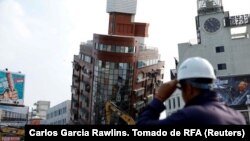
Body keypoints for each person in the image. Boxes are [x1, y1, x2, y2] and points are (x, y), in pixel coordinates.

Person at [137, 57, 246, 125]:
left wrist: (159, 98)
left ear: (189, 88)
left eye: (181, 88)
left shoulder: (189, 116)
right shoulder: (237, 117)